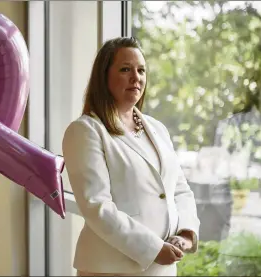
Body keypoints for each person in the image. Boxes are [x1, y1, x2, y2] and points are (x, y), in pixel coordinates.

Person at [62, 37, 200, 276]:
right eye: (125, 69)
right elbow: (97, 206)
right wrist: (153, 248)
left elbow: (179, 189)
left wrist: (186, 233)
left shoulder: (158, 129)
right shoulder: (85, 131)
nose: (136, 77)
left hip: (162, 268)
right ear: (104, 77)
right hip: (111, 268)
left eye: (141, 70)